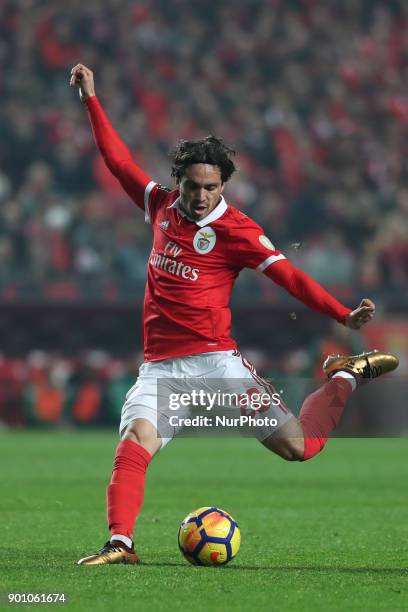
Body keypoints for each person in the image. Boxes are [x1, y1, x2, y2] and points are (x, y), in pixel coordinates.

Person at [70, 64, 398, 566]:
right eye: (193, 186)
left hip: (217, 365)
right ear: (177, 181)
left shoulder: (238, 230)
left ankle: (345, 377)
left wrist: (342, 314)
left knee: (300, 448)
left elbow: (289, 277)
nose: (201, 196)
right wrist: (91, 99)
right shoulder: (159, 206)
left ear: (224, 185)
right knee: (134, 443)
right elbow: (117, 161)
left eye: (211, 187)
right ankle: (121, 543)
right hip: (161, 369)